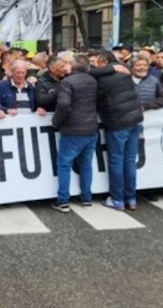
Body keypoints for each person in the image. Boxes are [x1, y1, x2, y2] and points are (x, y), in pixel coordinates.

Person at [93, 52, 144, 210]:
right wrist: (114, 67)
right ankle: (131, 198)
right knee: (130, 160)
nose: (95, 66)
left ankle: (117, 199)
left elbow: (88, 73)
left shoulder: (102, 80)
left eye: (97, 63)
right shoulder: (125, 74)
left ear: (103, 63)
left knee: (116, 160)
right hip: (135, 119)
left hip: (117, 122)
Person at [51, 55, 98, 213]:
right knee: (86, 165)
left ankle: (63, 200)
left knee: (64, 164)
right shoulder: (93, 81)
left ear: (72, 65)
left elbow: (64, 104)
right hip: (90, 128)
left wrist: (56, 121)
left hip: (72, 129)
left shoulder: (67, 82)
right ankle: (86, 198)